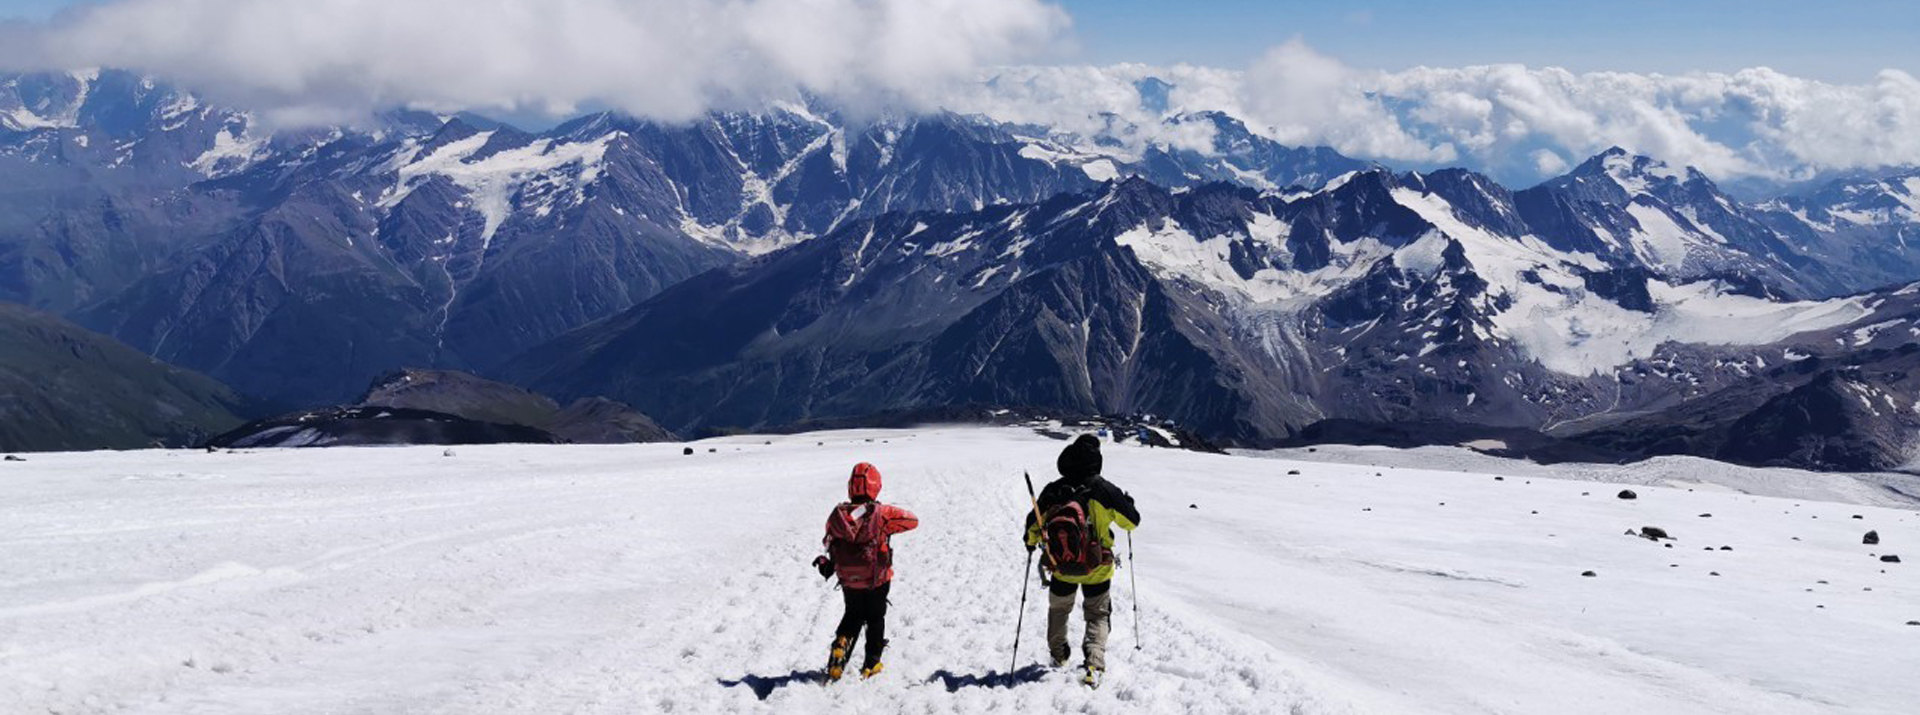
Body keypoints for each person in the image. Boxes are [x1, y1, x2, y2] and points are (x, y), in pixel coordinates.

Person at [1024, 434, 1140, 688]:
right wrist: (1126, 503)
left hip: (1061, 566)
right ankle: (1094, 663)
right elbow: (1132, 521)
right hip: (1097, 567)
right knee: (1098, 614)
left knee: (1058, 609)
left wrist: (1031, 543)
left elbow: (1033, 526)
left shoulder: (1054, 490)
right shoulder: (1104, 490)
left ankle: (1058, 655)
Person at [813, 462, 918, 681]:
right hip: (876, 579)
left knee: (852, 613)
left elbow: (828, 540)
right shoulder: (882, 513)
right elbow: (912, 521)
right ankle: (872, 663)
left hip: (848, 578)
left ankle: (842, 642)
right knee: (875, 618)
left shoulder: (838, 515)